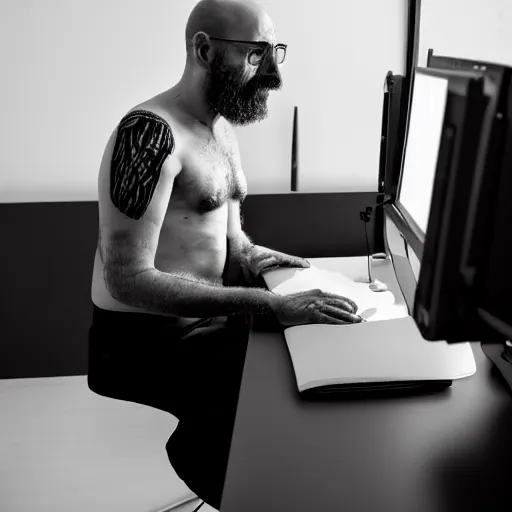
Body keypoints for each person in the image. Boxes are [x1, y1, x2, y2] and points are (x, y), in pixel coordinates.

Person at [87, 0, 362, 508]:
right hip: (140, 343)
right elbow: (126, 278)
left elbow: (232, 241)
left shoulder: (221, 130)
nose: (274, 73)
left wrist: (259, 259)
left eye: (275, 51)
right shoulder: (148, 135)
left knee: (306, 363)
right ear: (204, 49)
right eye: (257, 54)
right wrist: (269, 305)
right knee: (272, 398)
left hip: (204, 324)